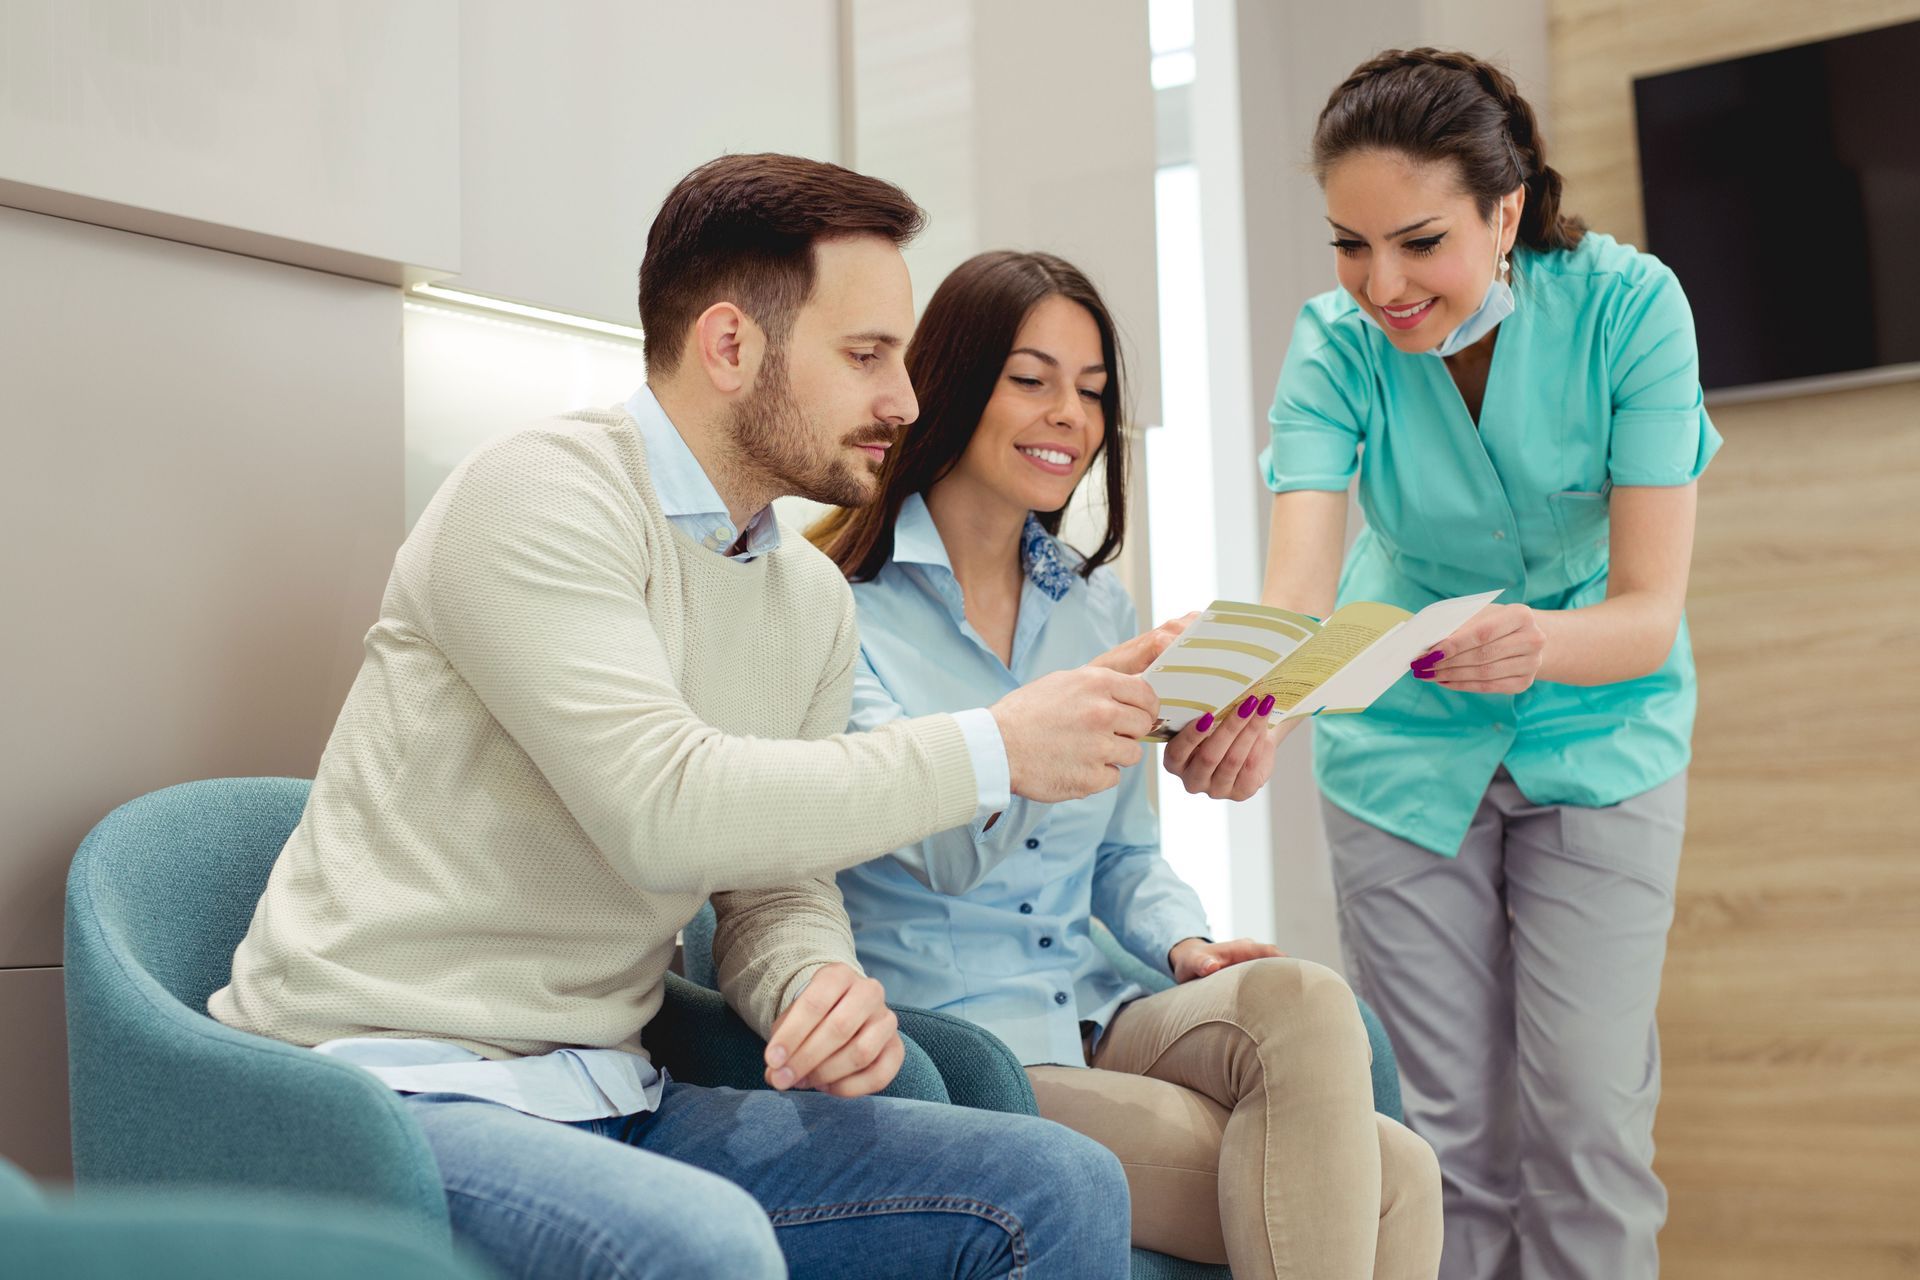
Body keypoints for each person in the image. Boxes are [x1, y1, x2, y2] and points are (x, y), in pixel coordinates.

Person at [209, 154, 1148, 1280]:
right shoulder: (540, 496)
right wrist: (994, 746)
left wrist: (808, 981)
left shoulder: (802, 597)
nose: (904, 398)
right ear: (730, 345)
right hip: (385, 1087)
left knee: (1058, 1181)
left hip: (615, 1089)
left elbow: (773, 881)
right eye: (865, 356)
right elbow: (666, 807)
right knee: (699, 1242)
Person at [811, 249, 1443, 1280]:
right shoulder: (838, 607)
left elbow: (1124, 856)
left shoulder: (1094, 605)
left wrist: (1182, 940)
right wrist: (1063, 711)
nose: (1070, 412)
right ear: (953, 381)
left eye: (1093, 390)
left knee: (1308, 1001)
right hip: (962, 1040)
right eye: (1033, 379)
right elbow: (940, 854)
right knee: (1394, 1179)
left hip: (1098, 1000)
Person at [1258, 49, 1723, 1280]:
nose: (1383, 285)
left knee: (1588, 1122)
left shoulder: (1631, 308)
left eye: (1419, 242)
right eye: (1350, 246)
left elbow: (1647, 611)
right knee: (1439, 1139)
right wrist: (1246, 698)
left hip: (1599, 730)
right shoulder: (1332, 345)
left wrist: (1537, 645)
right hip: (1400, 744)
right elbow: (1298, 593)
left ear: (1504, 209)